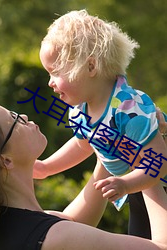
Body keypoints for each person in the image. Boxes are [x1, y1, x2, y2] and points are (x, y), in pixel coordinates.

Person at [0, 98, 167, 250]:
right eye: (14, 120)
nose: (23, 116)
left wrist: (107, 144)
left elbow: (74, 221)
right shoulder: (55, 238)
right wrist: (145, 158)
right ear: (5, 160)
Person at [35, 9, 167, 239]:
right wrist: (47, 167)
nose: (50, 82)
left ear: (90, 67)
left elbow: (158, 163)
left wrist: (126, 184)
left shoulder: (128, 108)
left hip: (155, 184)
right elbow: (82, 145)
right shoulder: (80, 111)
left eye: (55, 72)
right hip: (136, 187)